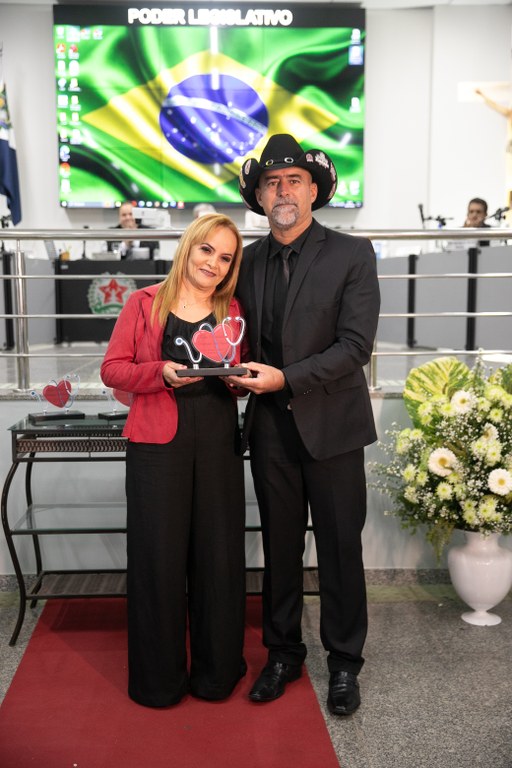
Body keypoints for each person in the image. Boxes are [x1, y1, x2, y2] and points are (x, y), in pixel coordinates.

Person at [227, 134, 380, 716]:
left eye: (293, 180)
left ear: (314, 190)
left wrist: (284, 380)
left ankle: (344, 663)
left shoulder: (352, 253)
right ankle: (283, 654)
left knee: (340, 549)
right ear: (259, 197)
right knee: (280, 548)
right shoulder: (247, 261)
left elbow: (355, 346)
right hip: (270, 429)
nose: (283, 190)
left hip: (334, 428)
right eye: (271, 183)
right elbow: (232, 336)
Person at [100, 213, 247, 707]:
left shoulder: (232, 310)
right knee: (157, 561)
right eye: (207, 250)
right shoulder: (143, 303)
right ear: (188, 247)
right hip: (156, 445)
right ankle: (158, 682)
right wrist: (159, 371)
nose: (213, 263)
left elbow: (238, 375)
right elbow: (112, 369)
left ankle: (216, 675)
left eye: (225, 257)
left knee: (218, 559)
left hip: (218, 442)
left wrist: (239, 381)